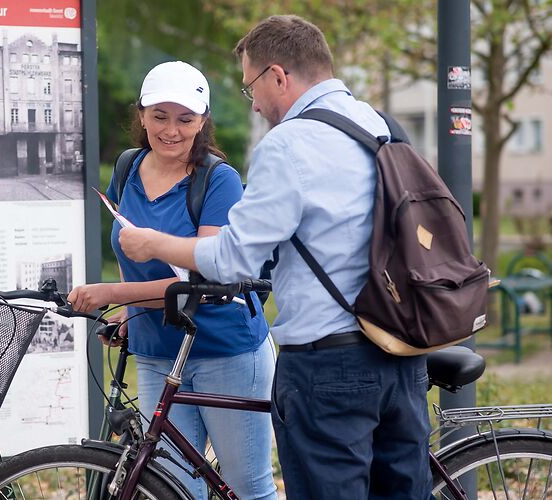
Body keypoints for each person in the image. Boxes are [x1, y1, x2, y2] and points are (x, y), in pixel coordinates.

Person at [117, 16, 432, 500]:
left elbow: (233, 260)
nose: (257, 105)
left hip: (330, 364)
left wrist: (154, 243)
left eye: (252, 88)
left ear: (279, 76)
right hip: (401, 351)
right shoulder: (378, 124)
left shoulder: (286, 144)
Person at [68, 61, 277, 500]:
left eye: (185, 119)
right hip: (156, 351)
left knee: (246, 486)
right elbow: (131, 254)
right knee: (172, 489)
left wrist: (109, 294)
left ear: (202, 121)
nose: (171, 130)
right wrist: (130, 309)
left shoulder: (218, 180)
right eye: (159, 116)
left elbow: (201, 279)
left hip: (226, 350)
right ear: (141, 115)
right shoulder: (127, 168)